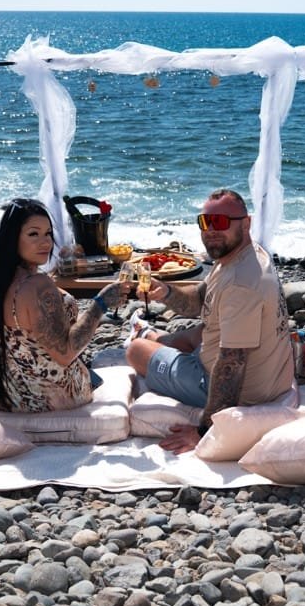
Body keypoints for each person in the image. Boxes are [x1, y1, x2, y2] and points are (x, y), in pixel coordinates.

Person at [125, 189, 294, 453]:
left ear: (246, 223)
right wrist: (166, 292)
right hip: (264, 373)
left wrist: (205, 430)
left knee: (135, 350)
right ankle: (157, 339)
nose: (211, 230)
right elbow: (200, 301)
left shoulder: (241, 283)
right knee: (198, 331)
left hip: (243, 392)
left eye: (221, 222)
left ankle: (149, 340)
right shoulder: (242, 255)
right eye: (206, 222)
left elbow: (232, 365)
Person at [0, 197, 130, 412]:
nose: (45, 242)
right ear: (12, 238)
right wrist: (100, 304)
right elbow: (65, 353)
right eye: (33, 234)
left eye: (48, 233)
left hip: (6, 393)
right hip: (49, 397)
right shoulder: (37, 285)